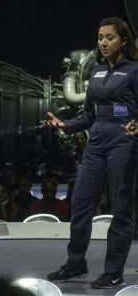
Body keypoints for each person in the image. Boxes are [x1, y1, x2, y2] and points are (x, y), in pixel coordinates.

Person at [41, 17, 138, 289]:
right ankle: (76, 263)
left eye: (110, 37)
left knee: (121, 208)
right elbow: (87, 116)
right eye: (100, 38)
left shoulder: (134, 70)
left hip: (124, 143)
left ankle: (114, 270)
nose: (104, 42)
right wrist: (65, 125)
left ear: (124, 41)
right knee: (81, 203)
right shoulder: (95, 72)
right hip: (96, 143)